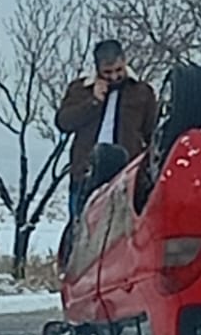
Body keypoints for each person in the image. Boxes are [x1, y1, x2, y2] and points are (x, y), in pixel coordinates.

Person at [56, 39, 156, 220]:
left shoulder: (142, 92)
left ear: (124, 62)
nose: (114, 76)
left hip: (126, 175)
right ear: (97, 69)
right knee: (81, 226)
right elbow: (64, 122)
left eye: (118, 70)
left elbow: (151, 133)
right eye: (108, 72)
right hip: (86, 173)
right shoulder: (80, 89)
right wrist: (94, 102)